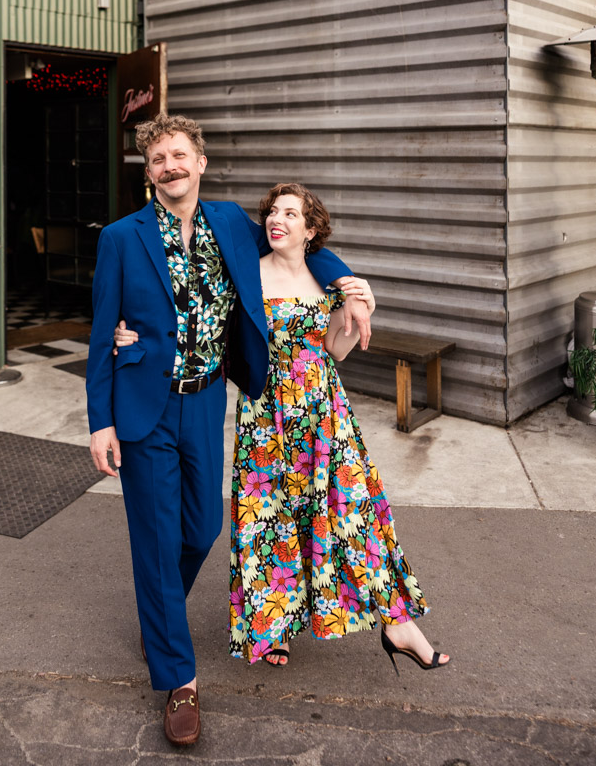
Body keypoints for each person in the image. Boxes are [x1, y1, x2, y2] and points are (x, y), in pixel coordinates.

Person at [86, 113, 370, 748]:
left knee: (202, 528)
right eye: (158, 159)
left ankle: (158, 613)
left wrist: (350, 288)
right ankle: (179, 679)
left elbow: (304, 248)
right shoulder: (121, 239)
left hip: (208, 398)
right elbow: (103, 332)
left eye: (179, 155)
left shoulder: (230, 224)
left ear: (201, 162)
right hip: (142, 407)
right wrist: (99, 420)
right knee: (158, 539)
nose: (170, 166)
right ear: (149, 171)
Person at [227, 184, 450, 671]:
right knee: (272, 520)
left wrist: (361, 307)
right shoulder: (247, 275)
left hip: (325, 413)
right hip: (267, 418)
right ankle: (273, 625)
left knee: (353, 511)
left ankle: (399, 624)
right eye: (272, 212)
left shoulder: (329, 282)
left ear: (311, 230)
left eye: (291, 213)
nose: (276, 219)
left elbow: (336, 351)